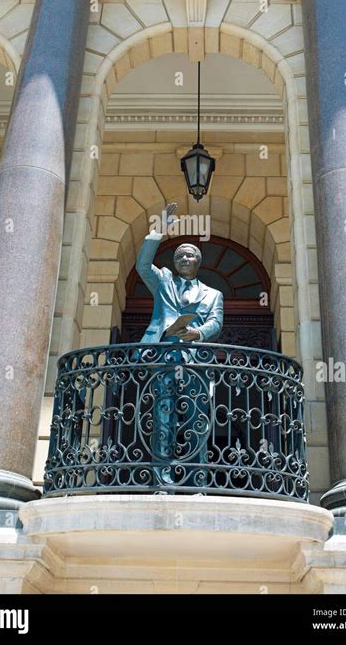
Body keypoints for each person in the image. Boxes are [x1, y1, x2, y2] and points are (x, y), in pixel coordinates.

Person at [135, 203, 224, 486]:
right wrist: (158, 230)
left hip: (195, 362)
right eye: (180, 256)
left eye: (190, 255)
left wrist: (197, 334)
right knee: (163, 420)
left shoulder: (213, 294)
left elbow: (216, 323)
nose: (185, 258)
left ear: (198, 262)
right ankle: (163, 481)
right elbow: (142, 265)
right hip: (163, 358)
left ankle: (198, 481)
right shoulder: (163, 281)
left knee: (197, 420)